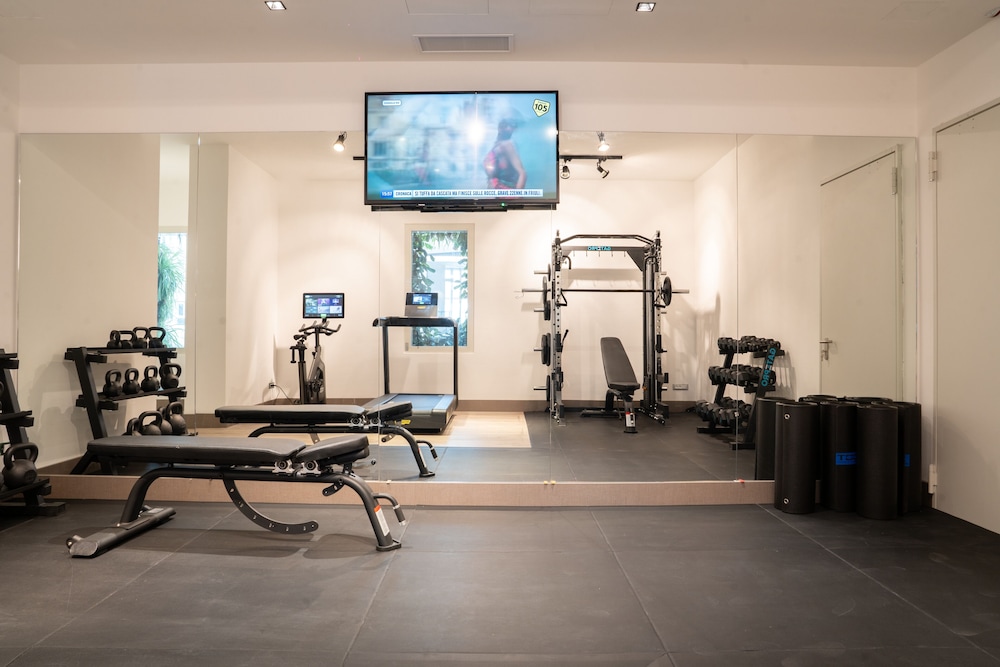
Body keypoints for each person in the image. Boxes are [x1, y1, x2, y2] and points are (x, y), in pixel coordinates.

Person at [483, 118, 526, 189]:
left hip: (505, 191)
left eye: (508, 126)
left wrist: (517, 194)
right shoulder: (496, 145)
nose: (506, 128)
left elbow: (522, 173)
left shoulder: (507, 145)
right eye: (503, 125)